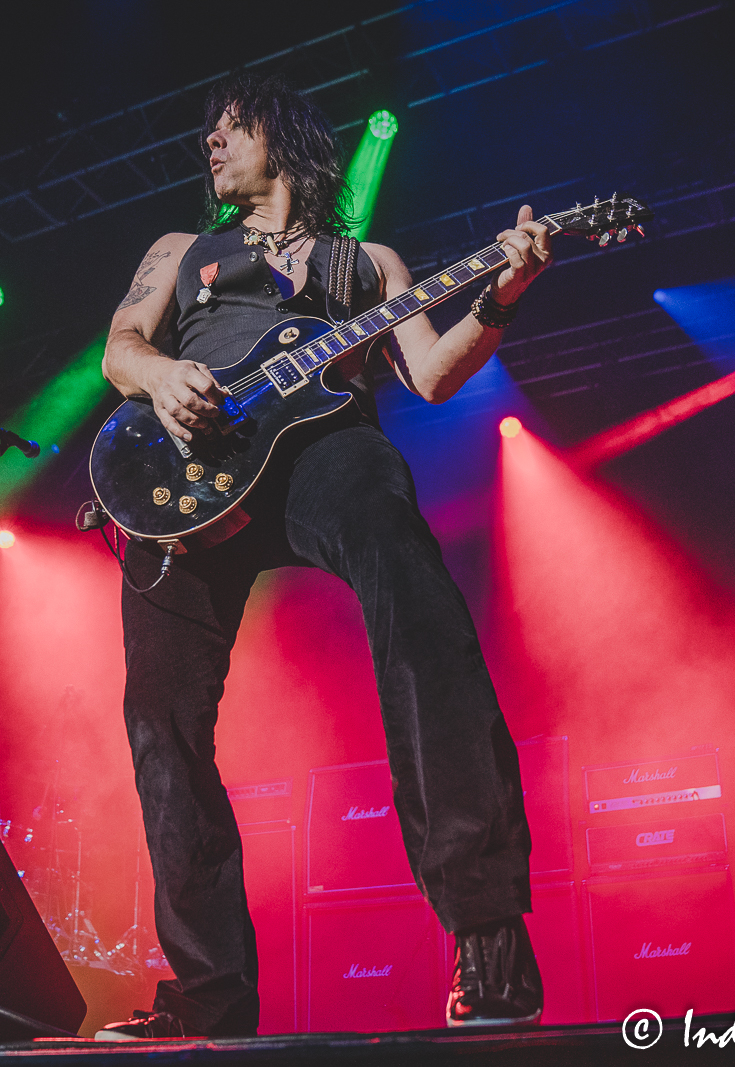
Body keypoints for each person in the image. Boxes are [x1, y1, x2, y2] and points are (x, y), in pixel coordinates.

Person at [94, 72, 551, 1040]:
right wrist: (164, 374)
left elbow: (427, 374)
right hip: (189, 477)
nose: (210, 143)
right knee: (159, 718)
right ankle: (210, 999)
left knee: (408, 581)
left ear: (281, 134)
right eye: (206, 131)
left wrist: (500, 299)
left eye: (229, 125)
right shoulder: (180, 252)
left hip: (321, 446)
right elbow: (119, 347)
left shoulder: (364, 262)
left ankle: (486, 930)